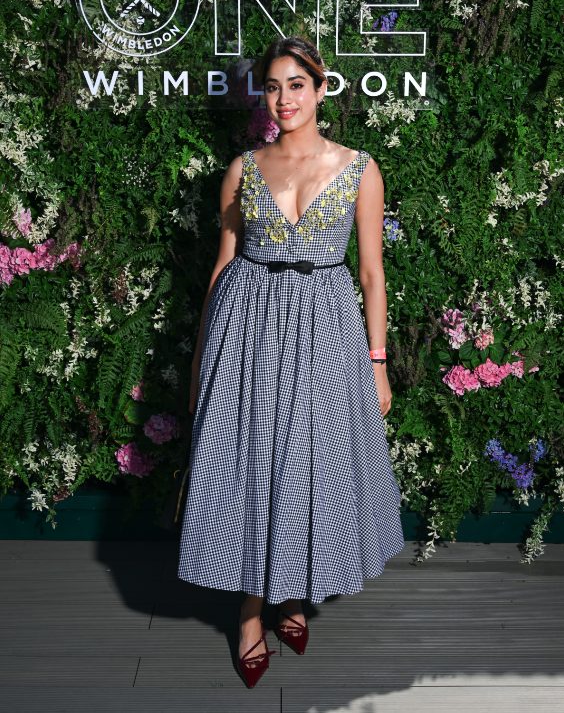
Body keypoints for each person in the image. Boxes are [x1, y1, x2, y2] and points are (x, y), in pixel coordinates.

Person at [177, 35, 405, 688]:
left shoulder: (359, 168)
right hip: (246, 326)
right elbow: (222, 267)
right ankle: (250, 612)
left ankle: (292, 592)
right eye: (273, 87)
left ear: (321, 87)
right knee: (254, 463)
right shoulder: (242, 169)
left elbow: (371, 274)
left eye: (296, 85)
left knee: (310, 461)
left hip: (326, 331)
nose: (284, 99)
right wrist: (201, 361)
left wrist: (377, 362)